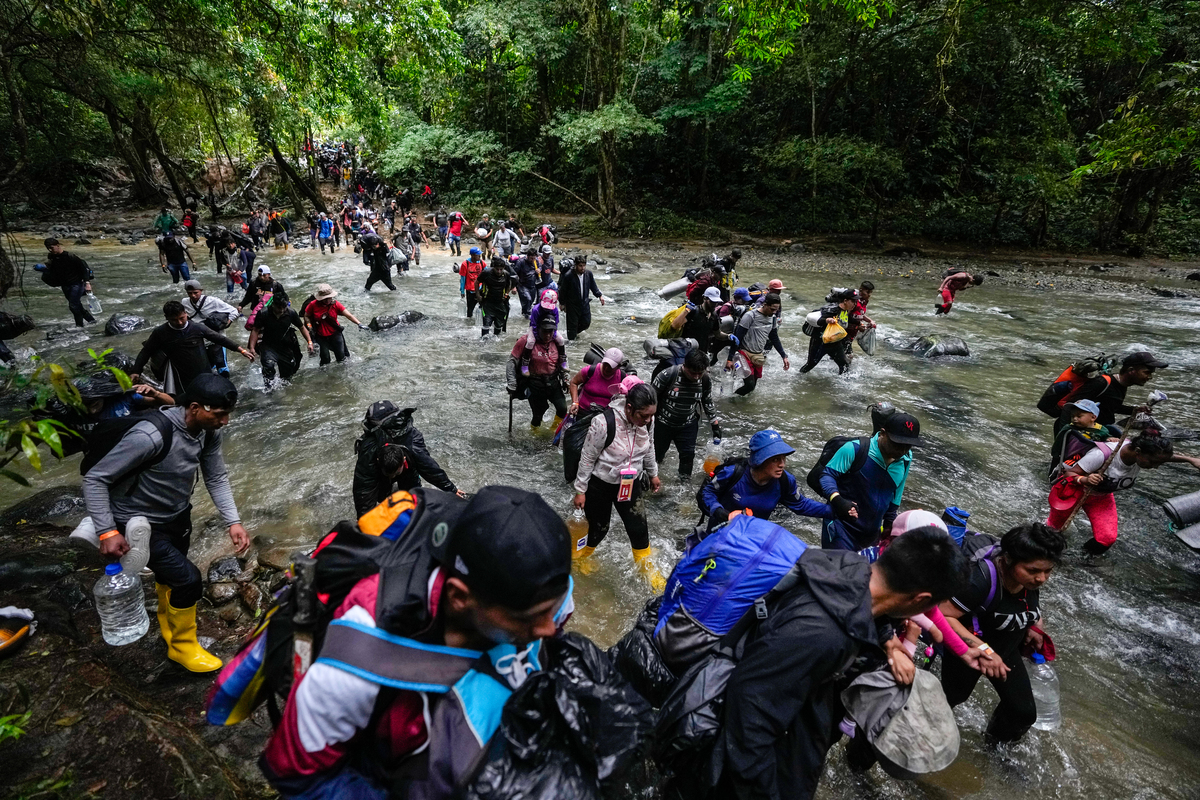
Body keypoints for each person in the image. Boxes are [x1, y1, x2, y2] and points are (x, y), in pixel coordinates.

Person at [260, 486, 572, 800]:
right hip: (382, 771)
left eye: (554, 608)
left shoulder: (543, 593)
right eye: (530, 617)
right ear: (459, 597)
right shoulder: (358, 658)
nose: (549, 627)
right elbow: (296, 775)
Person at [714, 527, 966, 800]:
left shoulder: (850, 567)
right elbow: (748, 722)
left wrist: (890, 641)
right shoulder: (821, 633)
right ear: (921, 600)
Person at [84, 374, 249, 673]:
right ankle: (182, 648)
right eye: (220, 414)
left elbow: (216, 476)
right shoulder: (151, 435)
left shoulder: (208, 432)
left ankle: (170, 631)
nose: (225, 421)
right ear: (196, 407)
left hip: (177, 514)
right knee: (188, 580)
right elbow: (96, 478)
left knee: (169, 578)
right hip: (137, 522)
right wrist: (107, 531)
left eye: (228, 414)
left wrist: (233, 522)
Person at [939, 523, 1063, 743]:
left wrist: (1034, 625)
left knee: (1022, 713)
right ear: (1007, 559)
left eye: (1048, 570)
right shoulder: (980, 579)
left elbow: (1028, 603)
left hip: (1006, 650)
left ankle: (994, 749)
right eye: (1033, 570)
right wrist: (983, 649)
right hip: (969, 653)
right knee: (947, 701)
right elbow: (943, 616)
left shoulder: (1029, 581)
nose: (1041, 578)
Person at [571, 379, 664, 589]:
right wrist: (580, 490)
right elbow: (587, 458)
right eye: (643, 416)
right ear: (629, 407)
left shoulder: (648, 421)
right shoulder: (603, 423)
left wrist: (653, 473)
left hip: (630, 483)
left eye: (651, 415)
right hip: (600, 484)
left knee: (639, 529)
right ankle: (580, 559)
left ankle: (647, 571)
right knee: (598, 529)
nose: (648, 420)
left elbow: (650, 446)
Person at [1047, 431, 1200, 554]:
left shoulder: (1146, 453)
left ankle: (1081, 560)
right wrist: (1084, 480)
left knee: (1106, 539)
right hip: (1073, 492)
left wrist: (1190, 459)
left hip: (1101, 497)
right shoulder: (1102, 455)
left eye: (1159, 463)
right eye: (1153, 462)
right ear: (1138, 452)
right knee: (1053, 532)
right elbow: (1068, 474)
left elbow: (1164, 457)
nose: (1156, 467)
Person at [819, 412, 923, 552]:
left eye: (908, 446)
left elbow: (896, 494)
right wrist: (837, 499)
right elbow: (827, 475)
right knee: (840, 571)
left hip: (871, 535)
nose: (902, 450)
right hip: (841, 528)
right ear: (882, 433)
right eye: (897, 444)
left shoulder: (906, 459)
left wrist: (889, 526)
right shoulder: (855, 449)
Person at [700, 429, 839, 531]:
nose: (782, 464)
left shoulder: (785, 481)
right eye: (775, 459)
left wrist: (837, 511)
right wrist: (721, 512)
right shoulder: (732, 473)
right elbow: (707, 494)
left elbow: (802, 505)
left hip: (752, 538)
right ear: (760, 460)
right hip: (718, 533)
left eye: (783, 458)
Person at [351, 401, 464, 515]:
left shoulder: (413, 445)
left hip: (407, 467)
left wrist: (452, 489)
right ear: (378, 460)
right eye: (390, 474)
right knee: (382, 498)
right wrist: (364, 521)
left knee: (412, 497)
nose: (393, 476)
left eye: (395, 473)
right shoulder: (369, 452)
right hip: (383, 467)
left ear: (404, 459)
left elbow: (429, 468)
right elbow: (363, 489)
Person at [132, 301, 254, 395]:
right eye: (174, 320)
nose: (179, 322)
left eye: (182, 318)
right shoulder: (161, 332)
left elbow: (219, 339)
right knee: (184, 398)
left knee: (207, 394)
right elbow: (146, 351)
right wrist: (136, 371)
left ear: (186, 314)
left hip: (202, 368)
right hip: (179, 372)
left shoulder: (196, 328)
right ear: (166, 318)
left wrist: (241, 350)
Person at [1055, 351, 1168, 436]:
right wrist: (1065, 436)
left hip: (1096, 432)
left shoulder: (1121, 385)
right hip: (1078, 434)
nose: (1150, 377)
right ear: (1131, 370)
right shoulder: (1102, 383)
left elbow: (1109, 406)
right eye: (1147, 372)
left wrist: (1135, 410)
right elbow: (1070, 406)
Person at [652, 348, 719, 480]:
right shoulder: (667, 375)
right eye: (693, 373)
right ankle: (653, 479)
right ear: (684, 366)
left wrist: (715, 424)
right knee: (657, 456)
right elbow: (650, 399)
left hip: (688, 424)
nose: (696, 377)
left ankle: (683, 486)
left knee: (688, 457)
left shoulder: (704, 379)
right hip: (663, 424)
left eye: (700, 373)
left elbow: (707, 401)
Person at [510, 316, 569, 429]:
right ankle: (535, 436)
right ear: (538, 329)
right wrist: (512, 382)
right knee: (538, 414)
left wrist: (565, 378)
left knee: (562, 409)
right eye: (544, 331)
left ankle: (553, 432)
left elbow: (563, 360)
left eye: (550, 332)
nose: (547, 335)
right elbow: (512, 362)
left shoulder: (557, 342)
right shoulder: (526, 341)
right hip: (535, 384)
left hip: (553, 381)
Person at [249, 288, 314, 386]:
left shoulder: (291, 312)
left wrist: (309, 342)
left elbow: (301, 327)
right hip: (268, 345)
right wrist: (252, 347)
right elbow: (255, 330)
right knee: (268, 366)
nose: (282, 310)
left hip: (286, 345)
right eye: (279, 307)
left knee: (287, 377)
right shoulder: (263, 313)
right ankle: (269, 392)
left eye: (284, 307)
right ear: (273, 304)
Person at [727, 292, 788, 395]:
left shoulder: (772, 318)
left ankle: (738, 404)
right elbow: (738, 337)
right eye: (772, 309)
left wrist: (784, 356)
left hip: (758, 355)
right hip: (743, 353)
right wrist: (730, 358)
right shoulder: (750, 316)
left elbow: (774, 338)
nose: (774, 312)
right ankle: (731, 401)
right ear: (765, 304)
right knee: (749, 385)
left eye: (776, 309)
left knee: (752, 386)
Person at [1047, 399, 1117, 477]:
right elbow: (1059, 441)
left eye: (1079, 416)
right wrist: (1056, 456)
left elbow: (1106, 438)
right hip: (1072, 457)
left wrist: (1109, 439)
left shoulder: (1101, 430)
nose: (1075, 419)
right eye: (1072, 416)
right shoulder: (1069, 429)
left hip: (1092, 459)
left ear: (1093, 417)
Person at [182, 280, 239, 375]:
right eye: (190, 293)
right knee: (206, 367)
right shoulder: (185, 302)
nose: (193, 296)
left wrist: (227, 324)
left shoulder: (212, 301)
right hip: (199, 339)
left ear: (201, 290)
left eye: (195, 293)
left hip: (216, 337)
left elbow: (234, 311)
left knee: (222, 367)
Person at [38, 238, 95, 327]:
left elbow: (84, 269)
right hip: (65, 285)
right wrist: (44, 270)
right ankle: (92, 321)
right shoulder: (52, 257)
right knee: (77, 306)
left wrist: (87, 283)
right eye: (48, 248)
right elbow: (53, 270)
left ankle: (79, 326)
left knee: (73, 306)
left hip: (77, 284)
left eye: (52, 247)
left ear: (58, 245)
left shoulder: (70, 256)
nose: (50, 250)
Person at [305, 284, 366, 366]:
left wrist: (359, 323)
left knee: (341, 357)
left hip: (335, 334)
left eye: (329, 298)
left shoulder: (336, 304)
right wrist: (310, 327)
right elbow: (306, 316)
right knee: (325, 359)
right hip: (320, 335)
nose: (327, 301)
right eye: (325, 299)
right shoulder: (313, 305)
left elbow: (348, 315)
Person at [799, 288, 856, 374]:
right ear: (845, 301)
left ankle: (842, 386)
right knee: (810, 364)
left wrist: (861, 325)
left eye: (856, 302)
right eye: (853, 301)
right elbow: (818, 321)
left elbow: (847, 322)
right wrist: (827, 320)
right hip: (820, 343)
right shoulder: (832, 310)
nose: (855, 304)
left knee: (844, 366)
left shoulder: (845, 311)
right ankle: (798, 377)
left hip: (835, 343)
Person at [558, 256, 605, 340]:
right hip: (572, 305)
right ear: (575, 265)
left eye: (584, 265)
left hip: (585, 303)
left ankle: (574, 333)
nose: (582, 268)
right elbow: (563, 291)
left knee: (586, 323)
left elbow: (593, 286)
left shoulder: (588, 274)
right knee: (572, 329)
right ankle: (571, 344)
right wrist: (562, 303)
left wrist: (599, 296)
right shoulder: (568, 276)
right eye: (580, 266)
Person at [520, 290, 565, 375]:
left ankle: (563, 359)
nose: (546, 309)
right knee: (530, 341)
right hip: (536, 328)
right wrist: (538, 336)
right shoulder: (536, 309)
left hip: (551, 328)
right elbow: (534, 324)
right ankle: (525, 363)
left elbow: (556, 324)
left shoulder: (555, 310)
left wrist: (553, 335)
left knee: (561, 340)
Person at [568, 348, 625, 415]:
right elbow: (573, 383)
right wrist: (575, 402)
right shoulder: (589, 371)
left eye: (610, 366)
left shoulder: (623, 378)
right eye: (605, 364)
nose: (606, 368)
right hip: (584, 411)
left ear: (618, 366)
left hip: (606, 416)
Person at [477, 256, 515, 337]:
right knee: (486, 323)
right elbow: (476, 282)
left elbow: (509, 285)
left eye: (501, 269)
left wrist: (506, 294)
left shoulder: (506, 274)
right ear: (493, 268)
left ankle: (496, 340)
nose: (499, 271)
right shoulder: (486, 273)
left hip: (500, 303)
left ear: (503, 268)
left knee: (499, 325)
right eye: (497, 269)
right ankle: (484, 342)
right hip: (487, 302)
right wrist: (478, 295)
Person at [843, 281, 876, 355]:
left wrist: (870, 321)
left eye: (870, 292)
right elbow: (842, 321)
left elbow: (861, 314)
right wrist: (857, 327)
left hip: (851, 334)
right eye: (867, 292)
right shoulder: (853, 302)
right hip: (843, 334)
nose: (869, 294)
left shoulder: (864, 301)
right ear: (861, 290)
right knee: (847, 357)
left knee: (844, 356)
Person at [511, 251, 540, 317]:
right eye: (531, 258)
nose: (532, 260)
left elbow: (540, 267)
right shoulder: (520, 262)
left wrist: (539, 269)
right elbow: (514, 274)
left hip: (532, 285)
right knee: (527, 299)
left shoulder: (536, 261)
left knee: (531, 301)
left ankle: (525, 314)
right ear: (527, 256)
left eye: (534, 258)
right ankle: (527, 314)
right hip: (522, 285)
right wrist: (514, 286)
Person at [459, 247, 484, 318]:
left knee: (484, 308)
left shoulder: (482, 263)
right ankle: (469, 325)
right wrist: (462, 291)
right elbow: (463, 279)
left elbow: (487, 275)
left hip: (481, 290)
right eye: (478, 255)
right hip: (470, 291)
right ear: (472, 256)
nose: (480, 256)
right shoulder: (465, 264)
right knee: (470, 310)